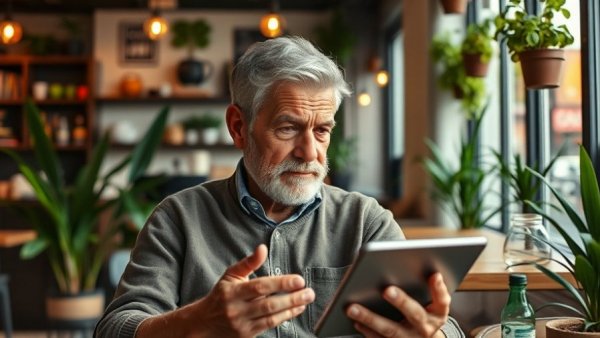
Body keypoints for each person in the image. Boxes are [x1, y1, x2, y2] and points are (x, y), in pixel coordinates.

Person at [94, 36, 465, 338]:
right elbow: (114, 328)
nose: (309, 153)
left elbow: (441, 323)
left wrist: (433, 334)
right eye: (288, 128)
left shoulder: (366, 220)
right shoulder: (178, 218)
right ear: (239, 127)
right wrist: (197, 322)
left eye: (322, 131)